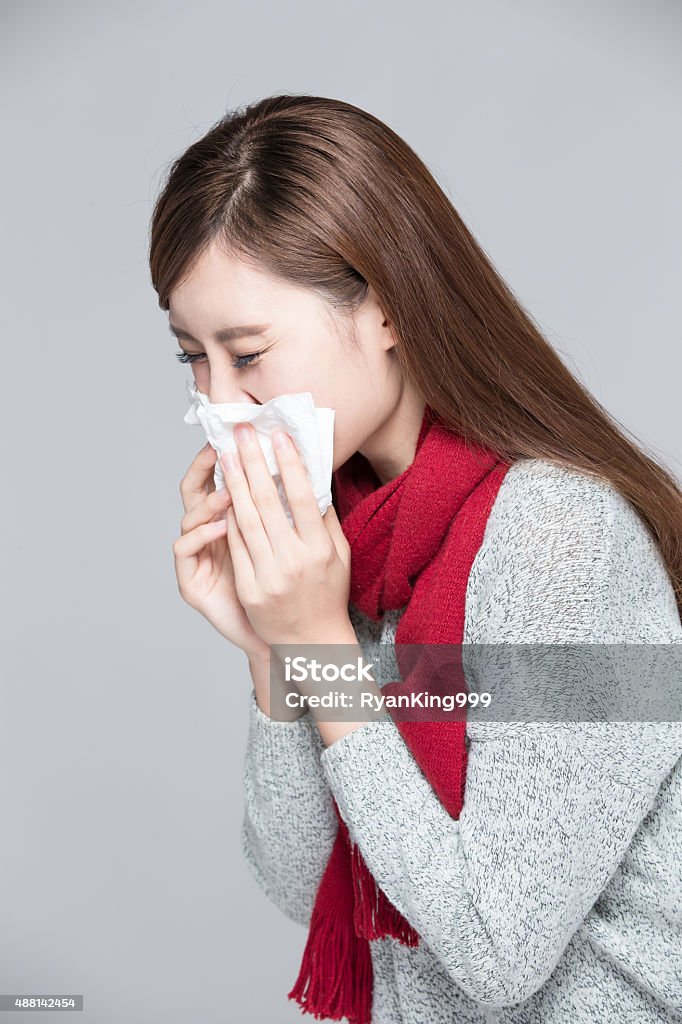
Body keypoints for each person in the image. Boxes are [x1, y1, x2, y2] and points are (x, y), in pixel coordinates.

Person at [148, 94, 682, 1023]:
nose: (221, 402)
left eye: (248, 352)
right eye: (193, 358)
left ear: (387, 308)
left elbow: (496, 946)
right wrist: (278, 654)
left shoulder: (564, 542)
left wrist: (320, 644)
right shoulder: (353, 545)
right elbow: (302, 884)